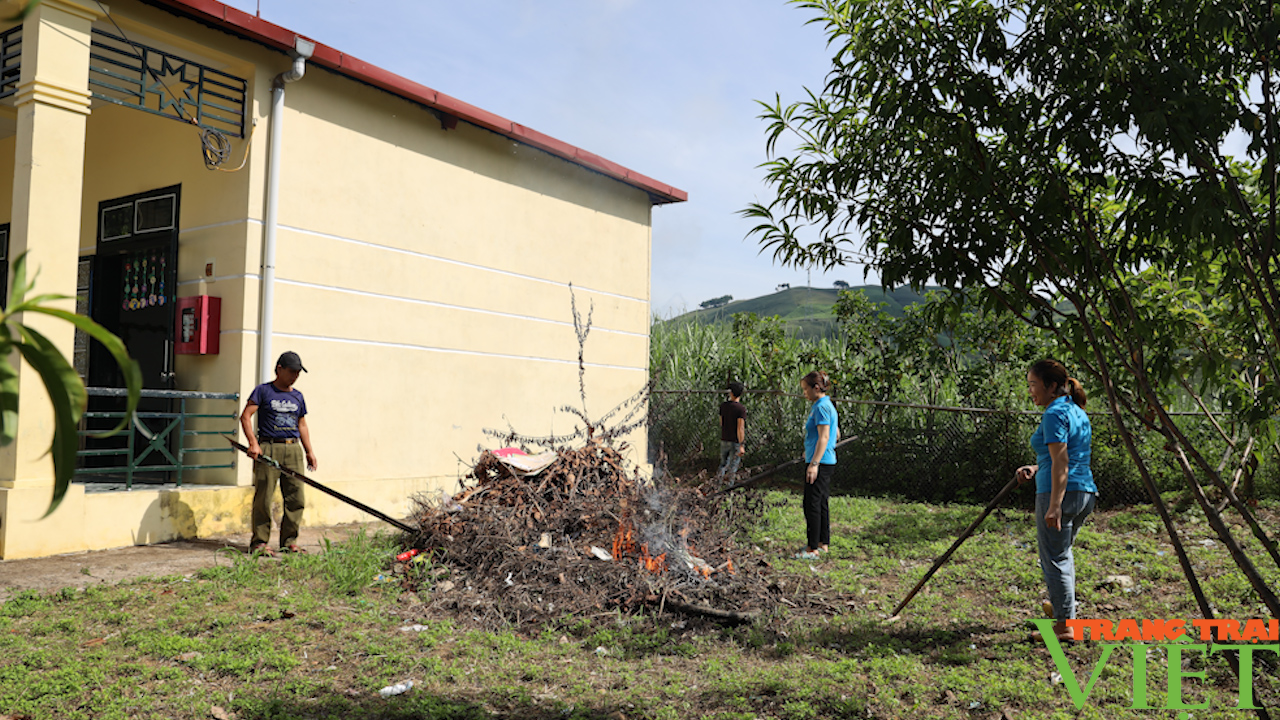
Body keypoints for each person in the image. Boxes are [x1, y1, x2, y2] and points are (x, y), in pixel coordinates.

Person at [1015, 359, 1096, 642]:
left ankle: (1064, 627)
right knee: (1063, 555)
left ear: (1051, 386)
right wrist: (1036, 468)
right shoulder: (1076, 411)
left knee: (1055, 558)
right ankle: (1064, 610)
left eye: (1034, 385)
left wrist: (1054, 504)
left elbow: (1061, 461)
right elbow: (1065, 456)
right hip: (1084, 492)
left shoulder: (1053, 413)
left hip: (1058, 493)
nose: (1030, 391)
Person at [241, 351, 318, 556]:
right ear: (279, 369)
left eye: (298, 372)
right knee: (264, 497)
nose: (295, 376)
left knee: (296, 497)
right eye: (292, 371)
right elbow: (246, 416)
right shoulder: (263, 391)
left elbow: (302, 424)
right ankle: (259, 542)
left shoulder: (297, 396)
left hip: (293, 449)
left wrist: (309, 451)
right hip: (269, 447)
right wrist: (253, 444)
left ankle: (289, 541)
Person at [796, 370, 838, 560]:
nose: (804, 393)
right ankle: (822, 543)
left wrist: (814, 463)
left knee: (811, 504)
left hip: (820, 463)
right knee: (821, 503)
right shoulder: (825, 404)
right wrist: (811, 449)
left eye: (806, 389)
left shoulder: (821, 407)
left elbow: (825, 436)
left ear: (816, 388)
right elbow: (836, 433)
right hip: (824, 460)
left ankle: (812, 548)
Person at [716, 381, 747, 481]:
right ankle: (729, 487)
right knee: (733, 466)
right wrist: (741, 444)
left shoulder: (723, 406)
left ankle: (717, 484)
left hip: (724, 438)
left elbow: (721, 422)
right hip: (735, 441)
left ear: (731, 393)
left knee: (723, 464)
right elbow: (740, 428)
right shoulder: (741, 409)